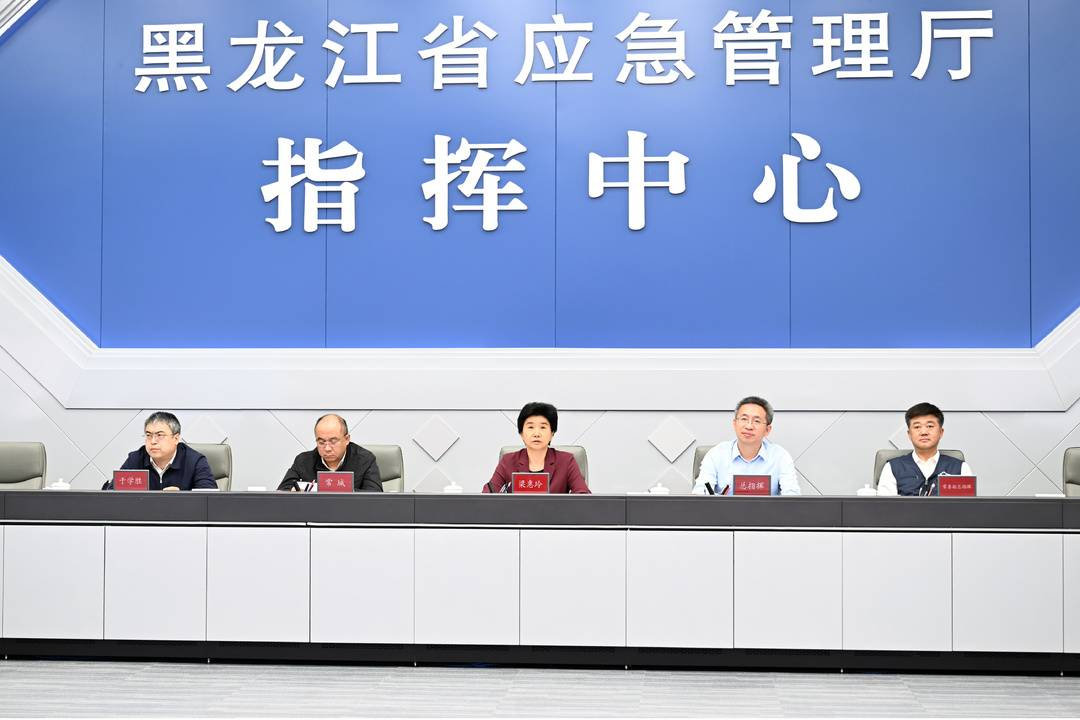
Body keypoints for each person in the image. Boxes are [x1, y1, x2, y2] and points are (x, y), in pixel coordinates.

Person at [692, 396, 800, 495]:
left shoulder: (780, 456)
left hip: (767, 511)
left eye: (756, 421)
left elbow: (792, 496)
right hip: (723, 511)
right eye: (744, 419)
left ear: (767, 430)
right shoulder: (716, 454)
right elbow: (701, 493)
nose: (749, 426)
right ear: (734, 424)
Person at [483, 402, 590, 494]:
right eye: (530, 427)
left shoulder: (566, 461)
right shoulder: (508, 461)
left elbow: (583, 496)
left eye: (543, 427)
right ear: (521, 433)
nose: (536, 434)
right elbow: (488, 495)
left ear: (552, 433)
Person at [878, 402, 973, 496]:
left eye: (930, 426)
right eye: (917, 427)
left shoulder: (961, 468)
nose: (924, 432)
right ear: (909, 434)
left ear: (941, 432)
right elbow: (885, 505)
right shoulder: (892, 468)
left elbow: (967, 505)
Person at [104, 411, 216, 491]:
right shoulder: (136, 459)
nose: (153, 441)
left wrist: (182, 498)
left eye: (160, 435)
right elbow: (113, 494)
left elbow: (209, 500)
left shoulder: (195, 461)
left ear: (176, 438)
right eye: (148, 435)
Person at [278, 414, 382, 492]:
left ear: (347, 439)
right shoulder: (303, 461)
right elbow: (282, 492)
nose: (327, 448)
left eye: (333, 441)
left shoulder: (364, 459)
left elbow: (375, 497)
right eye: (321, 442)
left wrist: (327, 490)